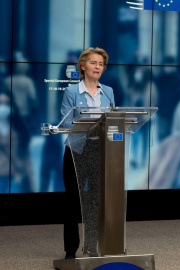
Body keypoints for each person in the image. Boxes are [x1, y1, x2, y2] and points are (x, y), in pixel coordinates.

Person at [60, 47, 114, 259]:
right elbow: (67, 120)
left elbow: (113, 120)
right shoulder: (71, 92)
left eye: (101, 64)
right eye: (94, 63)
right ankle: (70, 250)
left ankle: (92, 245)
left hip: (100, 150)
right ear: (82, 66)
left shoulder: (108, 91)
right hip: (76, 150)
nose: (98, 67)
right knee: (73, 201)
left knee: (95, 200)